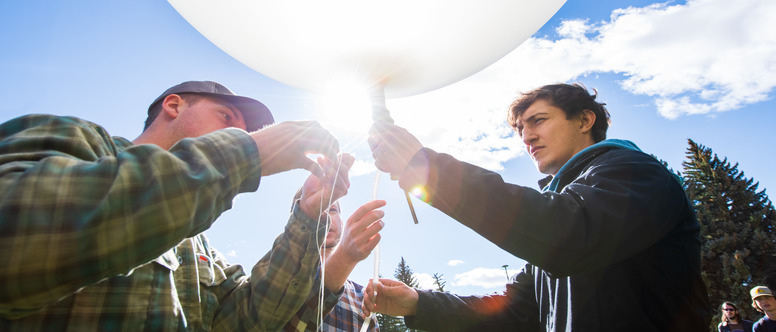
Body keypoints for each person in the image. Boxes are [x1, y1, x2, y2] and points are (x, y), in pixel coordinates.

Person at [0, 80, 348, 331]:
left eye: (245, 134)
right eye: (227, 119)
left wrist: (306, 217)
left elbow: (250, 319)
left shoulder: (200, 251)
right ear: (174, 105)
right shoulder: (78, 139)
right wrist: (247, 153)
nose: (237, 137)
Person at [363, 83, 712, 331]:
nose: (526, 135)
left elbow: (569, 233)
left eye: (539, 120)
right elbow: (513, 314)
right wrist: (419, 304)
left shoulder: (636, 173)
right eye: (519, 128)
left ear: (585, 120)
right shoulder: (560, 210)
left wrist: (425, 167)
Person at [284, 188, 386, 332]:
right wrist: (345, 258)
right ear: (296, 224)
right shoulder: (276, 281)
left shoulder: (363, 299)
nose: (324, 215)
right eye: (315, 209)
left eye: (332, 209)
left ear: (341, 222)